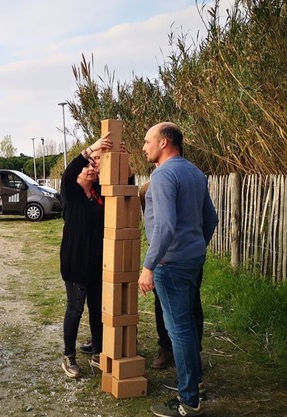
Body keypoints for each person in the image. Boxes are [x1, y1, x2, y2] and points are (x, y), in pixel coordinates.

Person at [138, 122, 217, 417]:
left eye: (148, 141)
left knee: (179, 330)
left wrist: (149, 266)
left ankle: (189, 401)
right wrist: (195, 246)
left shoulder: (163, 175)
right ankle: (195, 383)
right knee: (188, 325)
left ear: (164, 143)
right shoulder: (195, 172)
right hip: (193, 260)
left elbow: (165, 226)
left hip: (170, 264)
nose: (144, 147)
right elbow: (211, 219)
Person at [59, 133, 112, 379]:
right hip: (76, 262)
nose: (90, 169)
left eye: (93, 166)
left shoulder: (99, 194)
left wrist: (120, 158)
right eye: (86, 167)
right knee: (75, 308)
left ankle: (98, 350)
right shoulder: (71, 192)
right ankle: (69, 356)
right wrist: (91, 149)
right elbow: (68, 174)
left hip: (98, 261)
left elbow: (126, 182)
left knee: (97, 308)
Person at [139, 181, 205, 371]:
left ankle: (193, 355)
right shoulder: (147, 189)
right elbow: (153, 225)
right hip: (165, 256)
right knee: (162, 304)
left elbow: (166, 226)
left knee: (191, 305)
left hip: (183, 256)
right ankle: (167, 348)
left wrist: (197, 247)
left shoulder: (190, 183)